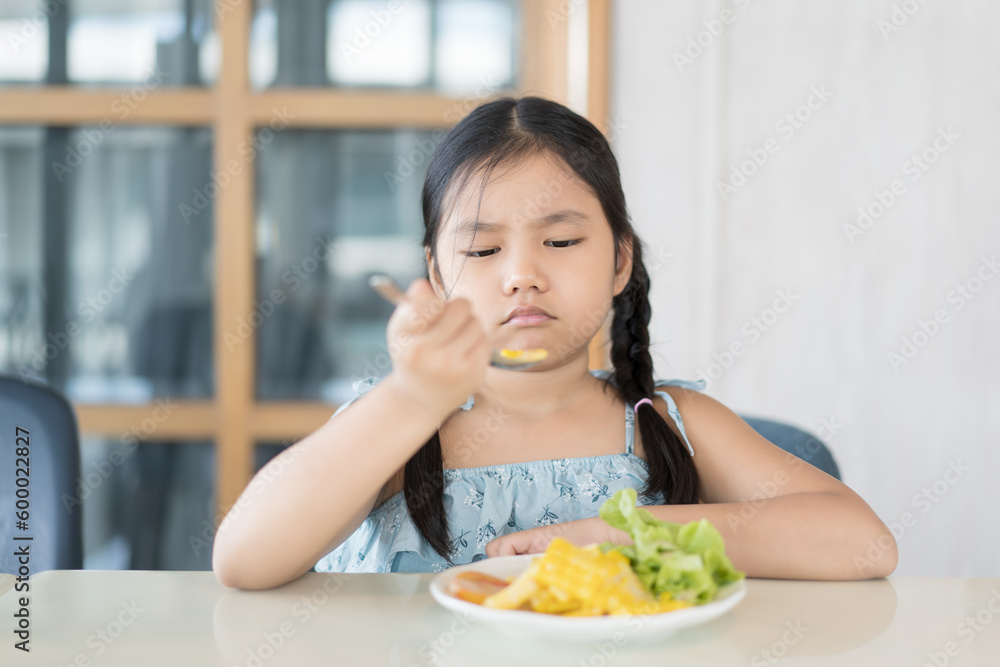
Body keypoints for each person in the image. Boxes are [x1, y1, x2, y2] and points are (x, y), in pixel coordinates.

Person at [212, 96, 897, 590]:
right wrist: (412, 397)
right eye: (482, 248)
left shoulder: (666, 422)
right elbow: (243, 560)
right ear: (436, 274)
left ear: (621, 261)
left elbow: (864, 542)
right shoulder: (403, 428)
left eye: (561, 241)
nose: (521, 276)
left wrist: (627, 537)